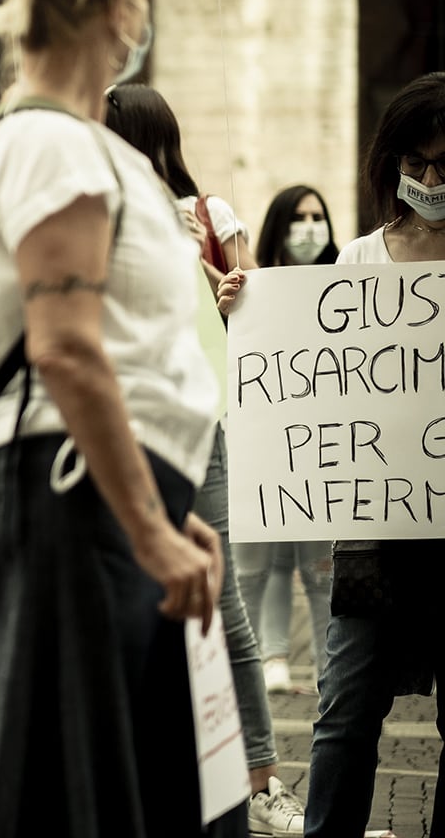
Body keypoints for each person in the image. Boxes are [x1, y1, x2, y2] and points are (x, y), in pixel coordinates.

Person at [0, 0, 232, 837]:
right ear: (117, 3)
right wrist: (150, 527)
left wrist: (167, 511)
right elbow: (66, 348)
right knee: (62, 800)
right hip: (67, 500)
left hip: (95, 494)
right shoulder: (47, 145)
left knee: (117, 796)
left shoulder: (68, 143)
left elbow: (126, 352)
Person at [221, 73, 445, 838]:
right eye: (415, 163)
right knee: (345, 710)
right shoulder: (359, 261)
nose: (430, 181)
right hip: (375, 536)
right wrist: (247, 316)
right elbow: (317, 378)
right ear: (392, 164)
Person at [104, 84, 305, 835]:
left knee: (224, 606)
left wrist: (221, 282)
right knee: (126, 600)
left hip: (198, 424)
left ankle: (260, 779)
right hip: (120, 426)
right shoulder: (99, 212)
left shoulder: (202, 216)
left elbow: (235, 311)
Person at [235, 185, 339, 695]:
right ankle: (269, 661)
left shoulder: (346, 283)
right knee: (268, 563)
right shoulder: (252, 286)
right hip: (266, 445)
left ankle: (329, 672)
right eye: (300, 217)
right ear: (280, 224)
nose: (310, 228)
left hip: (326, 448)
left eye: (318, 217)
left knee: (321, 569)